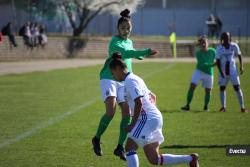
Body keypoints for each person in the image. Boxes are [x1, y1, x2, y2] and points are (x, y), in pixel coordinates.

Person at [109, 52, 199, 167]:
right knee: (154, 159)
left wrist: (133, 124)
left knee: (129, 147)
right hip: (152, 117)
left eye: (113, 73)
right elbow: (153, 96)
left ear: (118, 69)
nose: (113, 76)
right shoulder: (135, 78)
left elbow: (139, 102)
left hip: (147, 118)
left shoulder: (130, 81)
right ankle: (190, 159)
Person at [91, 9, 157, 161]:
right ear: (117, 29)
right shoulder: (115, 42)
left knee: (127, 113)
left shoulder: (129, 42)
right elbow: (126, 54)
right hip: (109, 77)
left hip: (123, 80)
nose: (125, 31)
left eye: (128, 28)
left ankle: (119, 147)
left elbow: (131, 53)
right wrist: (146, 51)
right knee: (111, 111)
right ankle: (96, 138)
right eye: (122, 28)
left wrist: (140, 56)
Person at [181, 36, 216, 111]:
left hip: (209, 73)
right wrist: (214, 64)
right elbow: (203, 63)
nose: (203, 44)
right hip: (199, 71)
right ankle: (187, 105)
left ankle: (206, 106)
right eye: (201, 43)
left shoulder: (213, 51)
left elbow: (218, 59)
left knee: (208, 90)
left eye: (204, 43)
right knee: (192, 86)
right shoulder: (198, 53)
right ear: (199, 45)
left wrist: (218, 62)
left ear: (207, 43)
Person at [216, 32, 248, 113]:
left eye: (227, 37)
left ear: (230, 37)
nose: (226, 39)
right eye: (224, 37)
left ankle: (242, 107)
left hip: (233, 71)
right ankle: (223, 107)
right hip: (223, 72)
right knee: (222, 88)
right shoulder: (219, 48)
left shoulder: (234, 46)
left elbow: (239, 55)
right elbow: (218, 61)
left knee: (237, 88)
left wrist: (241, 66)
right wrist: (221, 72)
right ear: (222, 38)